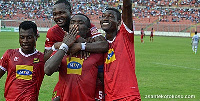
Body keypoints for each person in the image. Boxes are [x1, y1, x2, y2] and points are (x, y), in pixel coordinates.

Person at [45, 13, 108, 101]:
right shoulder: (61, 50)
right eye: (73, 22)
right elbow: (48, 70)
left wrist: (81, 46)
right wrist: (65, 46)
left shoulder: (96, 52)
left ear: (87, 30)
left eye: (80, 22)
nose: (75, 25)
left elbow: (102, 79)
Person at [99, 0, 141, 100]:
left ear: (119, 22)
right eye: (103, 16)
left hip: (128, 96)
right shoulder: (99, 44)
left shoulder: (124, 35)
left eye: (110, 17)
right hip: (108, 97)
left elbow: (127, 6)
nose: (105, 18)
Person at [0, 21, 44, 101]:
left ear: (36, 37)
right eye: (22, 37)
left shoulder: (42, 58)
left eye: (29, 37)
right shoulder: (9, 54)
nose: (25, 41)